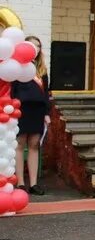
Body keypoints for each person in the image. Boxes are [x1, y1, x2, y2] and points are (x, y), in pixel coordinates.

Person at [12, 36, 51, 195]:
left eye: (38, 47)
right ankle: (20, 183)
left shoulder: (42, 70)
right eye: (32, 46)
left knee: (34, 144)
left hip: (38, 111)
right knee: (20, 144)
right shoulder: (16, 67)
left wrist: (47, 113)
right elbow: (12, 90)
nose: (35, 49)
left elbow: (46, 94)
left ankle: (33, 184)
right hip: (21, 109)